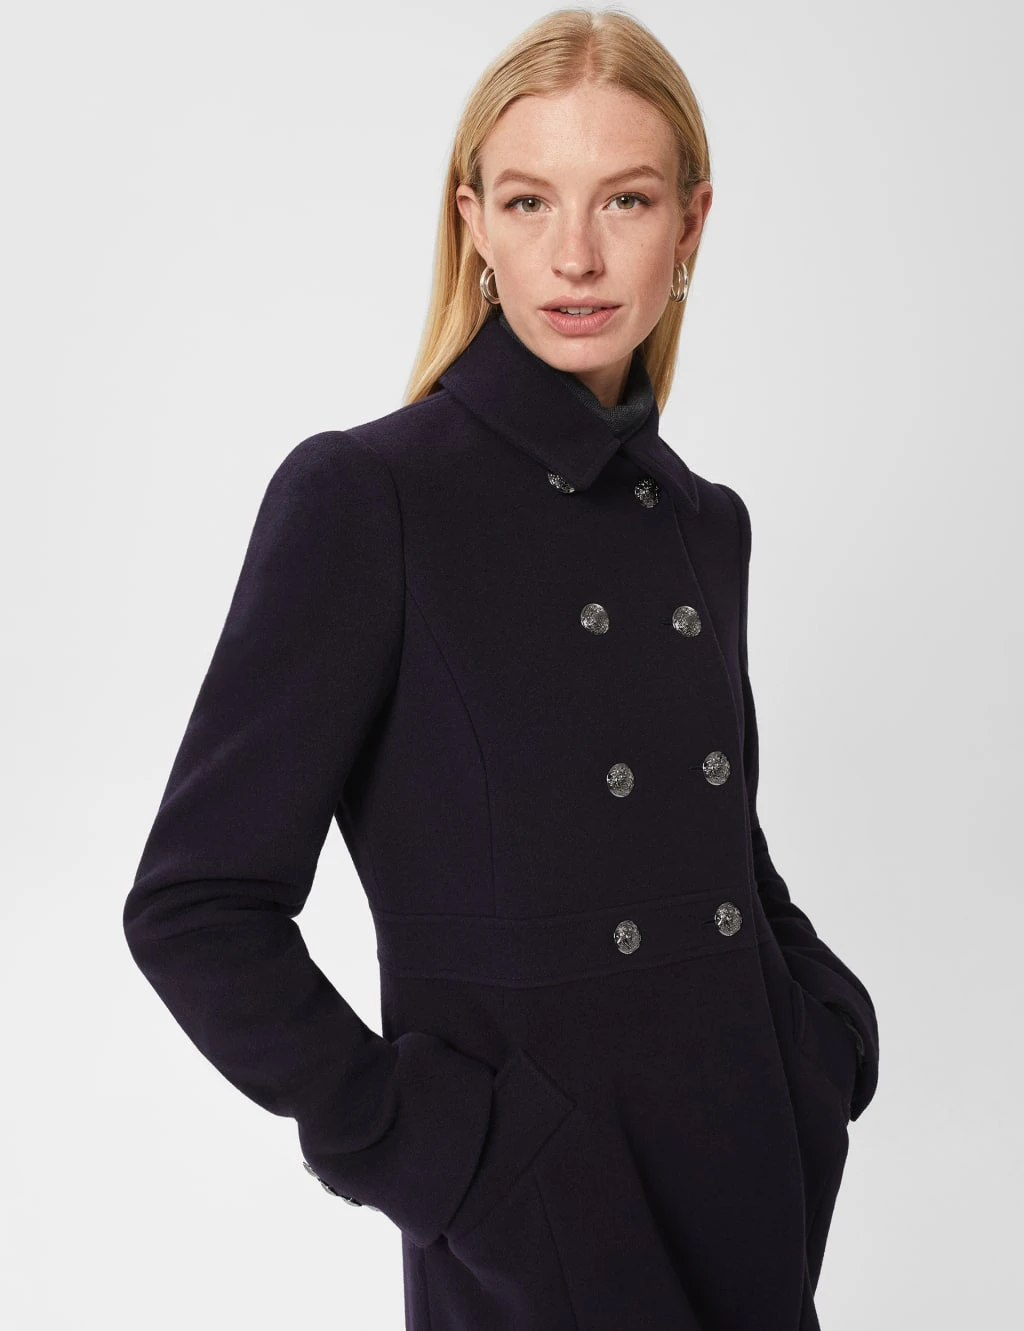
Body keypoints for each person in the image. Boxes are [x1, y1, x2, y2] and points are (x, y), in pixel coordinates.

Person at [123, 8, 879, 1329]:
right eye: (530, 201)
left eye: (625, 199)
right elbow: (196, 905)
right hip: (540, 1226)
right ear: (472, 220)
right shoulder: (368, 496)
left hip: (748, 1173)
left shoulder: (704, 521)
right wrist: (441, 1151)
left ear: (691, 225)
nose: (576, 254)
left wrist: (822, 1034)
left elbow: (715, 849)